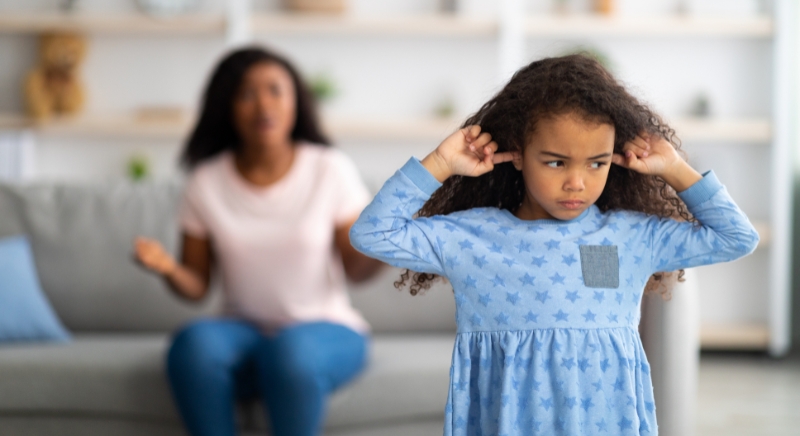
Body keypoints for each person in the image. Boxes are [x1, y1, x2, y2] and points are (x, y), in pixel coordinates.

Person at [349, 54, 759, 435]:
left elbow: (737, 237)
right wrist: (439, 163)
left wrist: (673, 167)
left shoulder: (631, 236)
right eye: (556, 162)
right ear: (518, 154)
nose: (576, 182)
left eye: (596, 163)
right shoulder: (472, 237)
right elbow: (372, 233)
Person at [133, 47, 383, 436]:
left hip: (323, 330)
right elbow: (197, 285)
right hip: (241, 332)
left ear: (296, 101)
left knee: (288, 355)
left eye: (275, 90)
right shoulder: (206, 182)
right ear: (227, 107)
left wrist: (388, 242)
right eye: (247, 94)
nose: (263, 104)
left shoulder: (329, 169)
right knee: (192, 347)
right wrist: (168, 269)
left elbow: (357, 269)